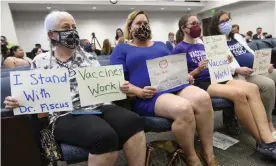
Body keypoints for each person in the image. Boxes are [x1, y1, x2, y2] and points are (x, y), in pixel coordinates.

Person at [4, 11, 146, 166]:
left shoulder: (89, 57)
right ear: (52, 35)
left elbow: (105, 84)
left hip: (98, 105)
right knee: (104, 136)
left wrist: (119, 86)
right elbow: (33, 95)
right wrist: (18, 101)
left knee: (134, 121)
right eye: (66, 27)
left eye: (74, 27)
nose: (72, 31)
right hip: (65, 113)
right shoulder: (40, 62)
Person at [110, 10, 218, 166]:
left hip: (174, 85)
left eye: (145, 23)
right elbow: (118, 80)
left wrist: (184, 75)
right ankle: (192, 157)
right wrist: (139, 91)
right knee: (183, 107)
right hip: (149, 95)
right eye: (138, 23)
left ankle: (208, 154)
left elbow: (174, 67)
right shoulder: (122, 49)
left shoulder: (161, 45)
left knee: (203, 98)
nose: (143, 26)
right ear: (130, 27)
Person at [173, 14, 276, 160]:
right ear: (184, 28)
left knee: (252, 88)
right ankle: (261, 141)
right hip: (202, 83)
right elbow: (180, 78)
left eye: (198, 23)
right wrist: (197, 70)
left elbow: (214, 62)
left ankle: (269, 139)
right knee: (239, 94)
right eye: (193, 23)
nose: (197, 26)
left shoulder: (202, 43)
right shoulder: (179, 49)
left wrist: (223, 60)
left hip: (218, 76)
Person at [209, 10, 276, 139]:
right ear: (215, 25)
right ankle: (268, 123)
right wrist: (236, 70)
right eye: (222, 21)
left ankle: (269, 110)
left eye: (227, 20)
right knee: (268, 84)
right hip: (241, 75)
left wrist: (264, 64)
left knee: (275, 73)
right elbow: (218, 66)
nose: (226, 23)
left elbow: (250, 52)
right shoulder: (214, 43)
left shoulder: (238, 37)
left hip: (255, 69)